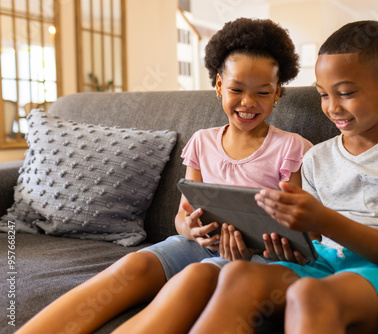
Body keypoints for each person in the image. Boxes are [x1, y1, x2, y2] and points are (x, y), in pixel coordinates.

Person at [16, 18, 312, 334]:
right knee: (134, 264)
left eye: (263, 93)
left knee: (200, 276)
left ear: (278, 92)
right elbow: (183, 216)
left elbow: (296, 228)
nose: (248, 103)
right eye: (236, 89)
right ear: (218, 86)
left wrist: (257, 247)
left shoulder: (291, 148)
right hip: (199, 245)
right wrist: (192, 231)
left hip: (255, 261)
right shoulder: (203, 141)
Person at [188, 20, 378, 334]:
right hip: (323, 265)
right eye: (323, 95)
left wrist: (322, 220)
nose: (332, 107)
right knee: (236, 275)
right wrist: (288, 246)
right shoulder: (314, 158)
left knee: (308, 294)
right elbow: (312, 243)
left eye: (346, 93)